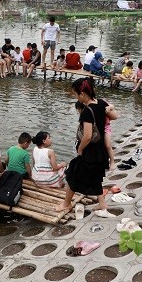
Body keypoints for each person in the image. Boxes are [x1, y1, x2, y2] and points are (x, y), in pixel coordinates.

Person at [55, 78, 114, 218]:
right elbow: (113, 116)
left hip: (90, 151)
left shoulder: (87, 111)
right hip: (101, 150)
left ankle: (66, 203)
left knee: (72, 176)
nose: (76, 97)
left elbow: (87, 136)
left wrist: (80, 149)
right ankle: (102, 204)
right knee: (96, 177)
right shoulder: (100, 103)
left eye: (76, 94)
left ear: (82, 94)